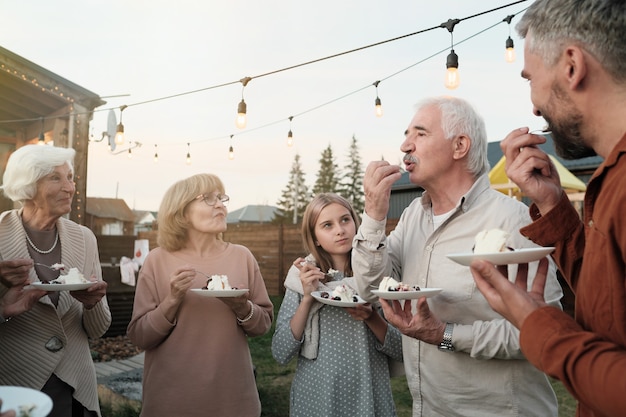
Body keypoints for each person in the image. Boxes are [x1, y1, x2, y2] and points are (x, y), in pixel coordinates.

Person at [352, 96, 564, 416]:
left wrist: (444, 335)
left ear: (459, 146)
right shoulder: (412, 216)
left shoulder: (511, 220)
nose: (406, 145)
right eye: (406, 135)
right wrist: (373, 215)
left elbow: (544, 334)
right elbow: (369, 288)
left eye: (420, 134)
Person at [467, 1, 626, 416]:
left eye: (531, 78)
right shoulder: (609, 177)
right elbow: (610, 303)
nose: (534, 107)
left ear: (572, 66)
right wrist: (551, 203)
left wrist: (536, 324)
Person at [127, 173, 273, 417]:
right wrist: (171, 301)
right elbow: (140, 336)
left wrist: (242, 308)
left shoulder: (242, 256)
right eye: (207, 198)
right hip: (170, 402)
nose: (220, 205)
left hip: (234, 402)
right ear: (182, 213)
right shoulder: (157, 260)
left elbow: (263, 326)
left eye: (221, 198)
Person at [0, 144, 111, 417]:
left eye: (70, 178)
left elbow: (98, 329)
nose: (69, 188)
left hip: (75, 388)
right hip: (15, 387)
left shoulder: (84, 238)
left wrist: (93, 304)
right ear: (28, 185)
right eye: (55, 178)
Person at [272, 193, 403, 417]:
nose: (340, 230)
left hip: (369, 394)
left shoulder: (379, 276)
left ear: (356, 223)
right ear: (314, 238)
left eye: (345, 220)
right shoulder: (301, 279)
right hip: (317, 397)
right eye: (327, 225)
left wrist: (371, 317)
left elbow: (401, 349)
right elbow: (281, 352)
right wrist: (307, 298)